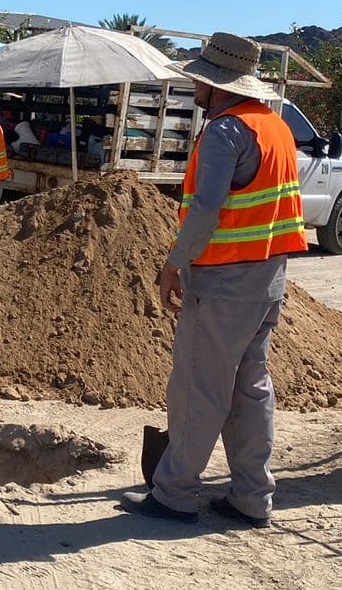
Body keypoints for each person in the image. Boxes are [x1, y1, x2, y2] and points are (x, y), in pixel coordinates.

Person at [121, 32, 306, 528]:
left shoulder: (225, 131)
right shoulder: (276, 127)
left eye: (198, 81)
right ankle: (252, 497)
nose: (193, 88)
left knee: (198, 388)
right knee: (250, 388)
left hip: (223, 280)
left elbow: (205, 211)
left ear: (216, 84)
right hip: (268, 277)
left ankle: (176, 493)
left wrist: (173, 263)